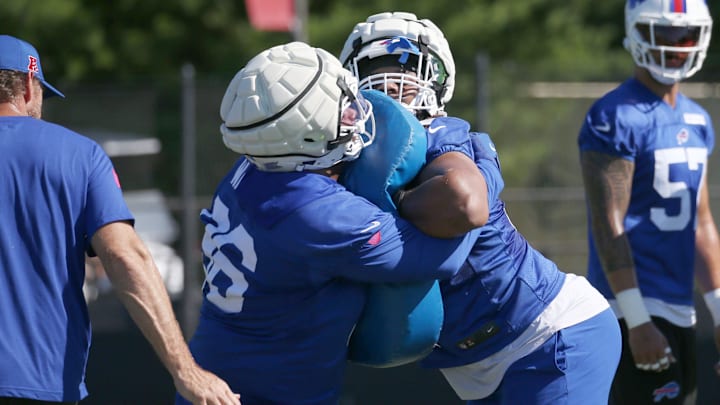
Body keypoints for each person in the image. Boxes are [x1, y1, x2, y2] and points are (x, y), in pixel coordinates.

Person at [340, 12, 623, 404]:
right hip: (472, 368)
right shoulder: (344, 167)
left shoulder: (442, 136)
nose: (389, 86)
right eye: (376, 74)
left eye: (404, 75)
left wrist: (387, 204)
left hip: (546, 334)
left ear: (435, 84)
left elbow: (464, 203)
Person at [175, 41, 479, 405]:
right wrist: (481, 165)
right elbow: (438, 253)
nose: (358, 111)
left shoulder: (252, 167)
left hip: (219, 376)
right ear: (305, 136)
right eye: (345, 109)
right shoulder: (314, 212)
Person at [0, 34, 239, 405]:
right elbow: (124, 257)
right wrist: (186, 372)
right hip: (38, 385)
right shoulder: (79, 155)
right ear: (29, 87)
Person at [577, 0, 720, 403]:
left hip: (680, 305)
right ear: (637, 32)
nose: (676, 45)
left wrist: (718, 307)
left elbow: (702, 221)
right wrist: (636, 317)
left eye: (686, 35)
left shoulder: (697, 119)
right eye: (664, 34)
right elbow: (608, 223)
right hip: (631, 306)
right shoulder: (614, 115)